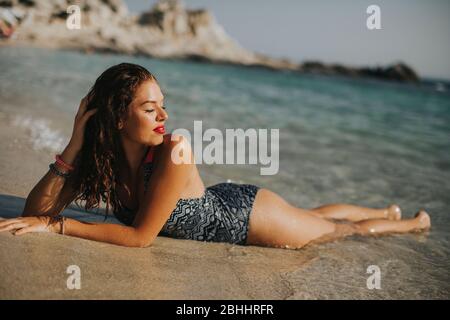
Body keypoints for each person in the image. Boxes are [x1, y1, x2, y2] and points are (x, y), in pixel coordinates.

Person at [0, 63, 431, 249]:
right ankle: (383, 208)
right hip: (223, 202)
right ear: (114, 118)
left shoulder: (174, 150)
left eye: (162, 105)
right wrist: (76, 140)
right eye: (150, 109)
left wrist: (58, 226)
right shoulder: (101, 158)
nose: (164, 116)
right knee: (317, 213)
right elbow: (36, 211)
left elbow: (139, 239)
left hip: (248, 220)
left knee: (338, 232)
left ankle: (411, 223)